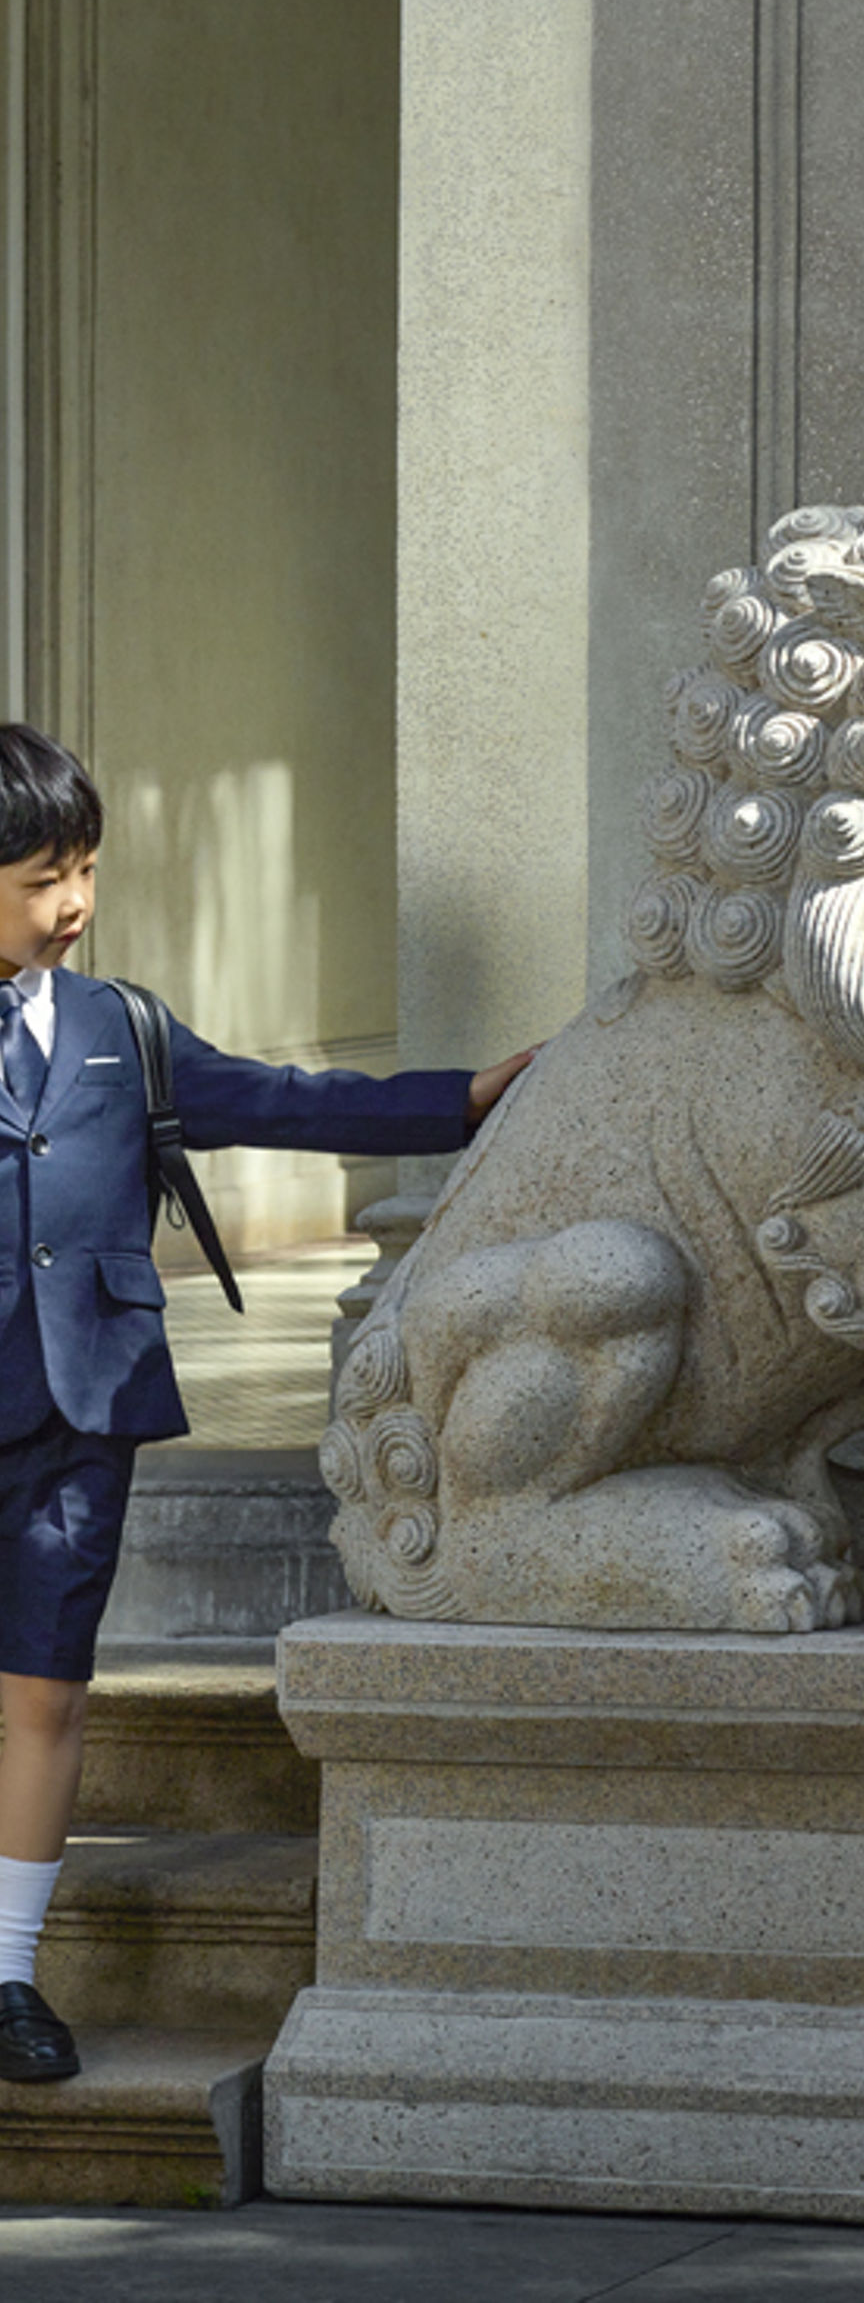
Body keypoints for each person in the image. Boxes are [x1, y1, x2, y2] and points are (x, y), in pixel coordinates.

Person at [0, 722, 531, 2084]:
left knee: (48, 1699)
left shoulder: (122, 1029)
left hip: (83, 1414)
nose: (70, 903)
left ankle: (7, 1980)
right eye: (37, 876)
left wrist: (464, 1101)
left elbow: (285, 1099)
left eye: (85, 870)